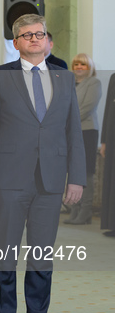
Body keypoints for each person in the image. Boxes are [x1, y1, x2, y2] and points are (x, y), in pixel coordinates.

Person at [0, 14, 85, 313]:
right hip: (10, 179)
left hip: (50, 181)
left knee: (42, 252)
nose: (34, 39)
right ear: (16, 43)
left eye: (39, 34)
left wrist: (77, 178)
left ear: (48, 40)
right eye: (27, 35)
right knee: (5, 251)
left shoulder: (65, 78)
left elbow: (74, 132)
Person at [64, 54, 102, 225]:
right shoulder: (69, 83)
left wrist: (67, 120)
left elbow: (88, 106)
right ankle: (75, 209)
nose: (79, 67)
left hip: (86, 131)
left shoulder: (94, 83)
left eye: (83, 64)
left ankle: (86, 211)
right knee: (72, 170)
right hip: (69, 132)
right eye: (76, 63)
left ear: (90, 67)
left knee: (85, 172)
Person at [100, 74, 115, 237]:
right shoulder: (113, 77)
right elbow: (107, 111)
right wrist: (104, 140)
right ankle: (113, 223)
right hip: (112, 137)